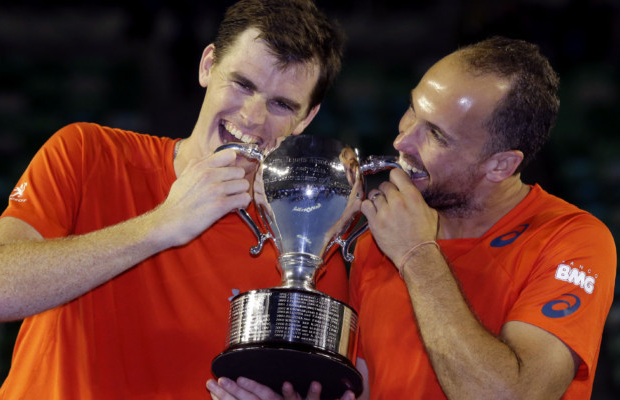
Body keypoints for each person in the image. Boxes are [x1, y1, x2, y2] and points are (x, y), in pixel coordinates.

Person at [0, 0, 347, 398]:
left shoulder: (307, 242)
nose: (252, 116)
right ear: (207, 65)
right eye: (242, 84)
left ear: (307, 118)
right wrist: (163, 224)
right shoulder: (88, 153)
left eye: (281, 104)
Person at [210, 37, 616, 400]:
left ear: (501, 165)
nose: (403, 139)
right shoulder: (376, 240)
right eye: (412, 109)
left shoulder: (572, 240)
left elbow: (511, 394)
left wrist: (417, 253)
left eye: (437, 135)